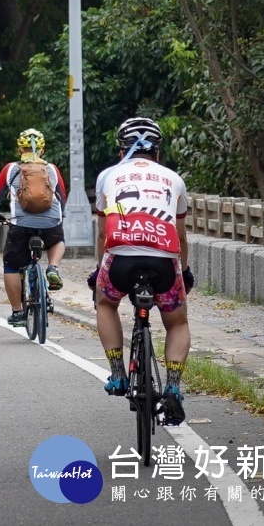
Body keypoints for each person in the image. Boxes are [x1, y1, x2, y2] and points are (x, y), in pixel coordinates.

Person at [89, 117, 193, 425]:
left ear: (121, 150)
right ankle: (173, 386)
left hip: (120, 258)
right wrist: (183, 272)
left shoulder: (108, 176)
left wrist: (99, 270)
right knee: (177, 322)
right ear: (158, 152)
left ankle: (118, 374)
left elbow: (101, 234)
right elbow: (182, 235)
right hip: (164, 260)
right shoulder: (173, 179)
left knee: (105, 302)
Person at [0, 128, 67, 327]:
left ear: (19, 149)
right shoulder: (52, 169)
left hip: (20, 224)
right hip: (51, 223)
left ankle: (17, 312)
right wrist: (61, 214)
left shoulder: (11, 169)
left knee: (12, 265)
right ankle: (53, 267)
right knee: (57, 240)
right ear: (42, 150)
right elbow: (62, 196)